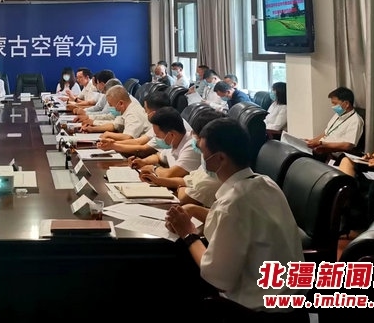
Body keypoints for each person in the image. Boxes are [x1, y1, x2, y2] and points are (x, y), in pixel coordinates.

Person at [165, 118, 306, 320]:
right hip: (292, 303)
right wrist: (194, 210)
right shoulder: (266, 184)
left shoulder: (233, 203)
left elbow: (217, 277)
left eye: (203, 152)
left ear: (220, 158)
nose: (202, 159)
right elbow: (238, 224)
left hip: (258, 312)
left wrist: (188, 233)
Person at [138, 110, 226, 210]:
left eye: (197, 137)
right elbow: (186, 180)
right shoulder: (206, 162)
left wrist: (180, 187)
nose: (193, 138)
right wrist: (158, 180)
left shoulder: (214, 169)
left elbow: (185, 197)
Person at [129, 107, 201, 178]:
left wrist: (153, 169)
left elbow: (170, 174)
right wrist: (143, 162)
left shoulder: (192, 146)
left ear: (171, 135)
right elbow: (158, 156)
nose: (156, 138)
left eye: (158, 136)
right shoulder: (173, 143)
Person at [304, 87, 364, 159]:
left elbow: (348, 145)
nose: (333, 106)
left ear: (346, 104)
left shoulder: (356, 120)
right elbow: (326, 133)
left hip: (333, 154)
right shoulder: (338, 115)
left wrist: (321, 144)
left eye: (335, 103)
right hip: (322, 148)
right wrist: (312, 141)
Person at [80, 85, 150, 139]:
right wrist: (92, 129)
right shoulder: (126, 107)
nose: (110, 107)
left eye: (111, 105)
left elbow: (128, 137)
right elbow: (115, 125)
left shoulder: (133, 113)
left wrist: (109, 135)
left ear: (121, 103)